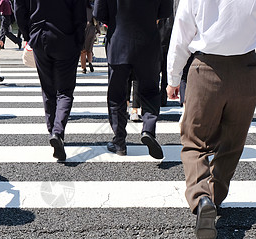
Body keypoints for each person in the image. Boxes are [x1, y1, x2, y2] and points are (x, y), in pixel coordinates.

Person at [166, 0, 256, 239]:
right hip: (247, 67)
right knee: (232, 143)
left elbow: (181, 32)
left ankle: (202, 198)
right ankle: (215, 196)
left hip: (207, 67)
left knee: (194, 141)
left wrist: (173, 78)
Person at [94, 0, 172, 159]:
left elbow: (98, 13)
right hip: (147, 43)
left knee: (117, 96)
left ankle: (119, 142)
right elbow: (165, 12)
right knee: (150, 91)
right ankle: (148, 129)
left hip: (118, 41)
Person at [15, 0, 86, 161]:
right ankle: (58, 132)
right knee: (65, 91)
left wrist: (28, 36)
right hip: (66, 37)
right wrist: (79, 41)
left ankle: (52, 129)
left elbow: (19, 9)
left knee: (47, 88)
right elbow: (80, 14)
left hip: (39, 34)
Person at [80, 0, 98, 74]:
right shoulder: (92, 8)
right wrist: (98, 30)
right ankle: (90, 62)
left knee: (83, 50)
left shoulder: (81, 9)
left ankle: (84, 68)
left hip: (83, 29)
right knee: (89, 48)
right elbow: (96, 20)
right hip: (92, 29)